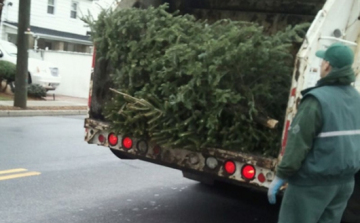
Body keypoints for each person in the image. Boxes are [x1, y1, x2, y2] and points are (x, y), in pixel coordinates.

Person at [267, 42, 360, 223]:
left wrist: (281, 175)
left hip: (311, 184)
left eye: (322, 61)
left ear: (327, 65)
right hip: (344, 183)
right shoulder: (357, 99)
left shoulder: (316, 100)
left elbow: (298, 143)